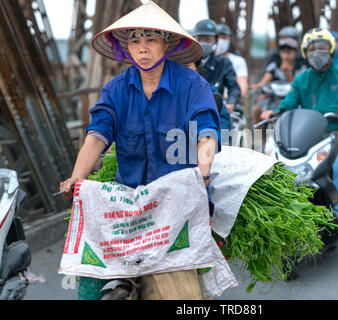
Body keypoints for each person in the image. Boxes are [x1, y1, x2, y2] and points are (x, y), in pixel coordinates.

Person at [58, 2, 221, 299]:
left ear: (166, 44)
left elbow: (206, 133)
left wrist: (203, 172)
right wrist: (76, 178)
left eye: (151, 40)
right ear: (127, 48)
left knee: (178, 294)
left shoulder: (192, 85)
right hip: (128, 206)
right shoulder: (116, 89)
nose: (142, 48)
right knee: (94, 280)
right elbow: (97, 135)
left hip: (178, 203)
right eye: (134, 40)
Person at [261, 28, 338, 227]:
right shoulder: (301, 79)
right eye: (312, 49)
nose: (317, 53)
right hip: (309, 135)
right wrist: (274, 112)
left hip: (337, 133)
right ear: (305, 53)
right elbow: (289, 103)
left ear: (332, 51)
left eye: (322, 48)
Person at [251, 37, 305, 125]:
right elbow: (266, 79)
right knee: (257, 110)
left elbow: (297, 86)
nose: (286, 55)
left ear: (295, 53)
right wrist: (259, 86)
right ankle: (260, 138)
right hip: (274, 99)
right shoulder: (275, 64)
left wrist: (288, 73)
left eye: (289, 52)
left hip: (293, 101)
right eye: (283, 52)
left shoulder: (301, 68)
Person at [193, 19, 241, 114]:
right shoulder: (186, 61)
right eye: (199, 39)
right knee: (190, 129)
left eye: (207, 39)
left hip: (216, 113)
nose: (203, 43)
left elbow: (234, 87)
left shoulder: (223, 63)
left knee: (222, 128)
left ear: (215, 41)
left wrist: (230, 103)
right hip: (190, 113)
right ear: (193, 39)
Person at [215, 23, 249, 98]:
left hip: (229, 103)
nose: (220, 41)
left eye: (224, 38)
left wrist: (232, 97)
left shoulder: (238, 61)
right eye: (218, 38)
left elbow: (242, 89)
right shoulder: (205, 60)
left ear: (229, 40)